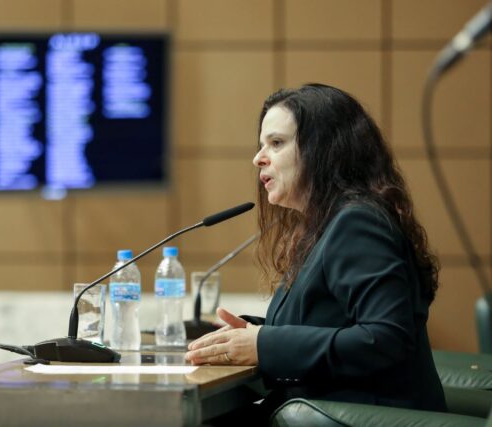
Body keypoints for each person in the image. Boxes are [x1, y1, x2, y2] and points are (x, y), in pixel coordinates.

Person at [184, 83, 447, 420]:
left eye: (276, 143)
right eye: (261, 144)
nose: (258, 158)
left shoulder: (357, 222)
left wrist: (264, 345)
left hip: (361, 417)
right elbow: (326, 321)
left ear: (324, 150)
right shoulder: (325, 225)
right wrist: (250, 335)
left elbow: (387, 338)